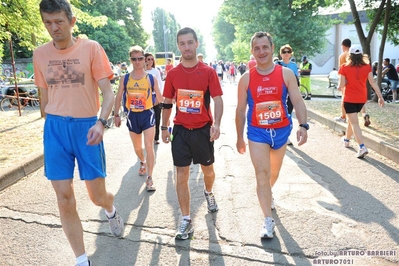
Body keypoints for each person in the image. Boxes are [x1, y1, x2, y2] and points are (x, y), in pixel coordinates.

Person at [33, 1, 124, 265]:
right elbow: (44, 96)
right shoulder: (40, 54)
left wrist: (101, 123)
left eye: (59, 21)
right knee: (64, 199)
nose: (53, 28)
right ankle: (82, 259)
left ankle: (110, 208)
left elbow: (107, 94)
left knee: (96, 196)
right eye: (48, 22)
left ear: (72, 21)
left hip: (87, 128)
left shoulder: (91, 48)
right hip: (56, 130)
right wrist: (51, 122)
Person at [235, 32, 308, 239]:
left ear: (272, 48)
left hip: (281, 130)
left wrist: (303, 125)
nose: (261, 52)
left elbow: (298, 100)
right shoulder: (246, 78)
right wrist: (240, 137)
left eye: (265, 47)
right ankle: (268, 220)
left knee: (273, 173)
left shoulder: (285, 74)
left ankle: (267, 193)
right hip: (257, 133)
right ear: (252, 51)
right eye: (257, 48)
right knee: (262, 174)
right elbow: (240, 110)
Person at [161, 27, 224, 240]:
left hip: (202, 131)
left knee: (208, 172)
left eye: (190, 42)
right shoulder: (172, 74)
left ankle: (208, 193)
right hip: (180, 131)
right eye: (182, 43)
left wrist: (217, 124)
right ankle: (186, 220)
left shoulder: (208, 72)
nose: (186, 47)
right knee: (181, 174)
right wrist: (164, 127)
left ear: (197, 43)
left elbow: (217, 99)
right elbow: (167, 102)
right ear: (178, 46)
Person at [114, 46, 162, 191]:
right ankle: (142, 161)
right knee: (137, 147)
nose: (137, 61)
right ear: (131, 60)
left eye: (140, 58)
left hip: (147, 115)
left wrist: (150, 104)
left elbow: (159, 98)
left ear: (144, 59)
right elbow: (118, 97)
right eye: (134, 59)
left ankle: (150, 178)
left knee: (149, 146)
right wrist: (116, 114)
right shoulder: (125, 78)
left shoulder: (150, 78)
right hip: (132, 116)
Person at [338, 45, 384, 158]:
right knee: (351, 119)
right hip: (361, 99)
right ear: (361, 55)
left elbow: (340, 86)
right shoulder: (367, 67)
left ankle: (362, 147)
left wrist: (346, 81)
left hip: (349, 98)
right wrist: (380, 96)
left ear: (350, 55)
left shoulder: (344, 67)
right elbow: (372, 82)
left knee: (354, 122)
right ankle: (346, 140)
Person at [275, 44, 299, 145]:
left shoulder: (293, 65)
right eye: (284, 52)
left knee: (288, 114)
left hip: (290, 94)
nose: (286, 54)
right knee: (278, 114)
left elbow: (297, 80)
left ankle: (286, 136)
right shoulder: (277, 64)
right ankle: (277, 134)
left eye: (288, 52)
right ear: (280, 54)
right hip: (279, 94)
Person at [145, 52, 164, 144]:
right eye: (148, 59)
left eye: (152, 59)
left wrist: (158, 97)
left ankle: (156, 138)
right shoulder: (141, 72)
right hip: (144, 99)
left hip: (155, 96)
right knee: (146, 118)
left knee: (157, 117)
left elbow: (160, 85)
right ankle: (148, 137)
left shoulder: (155, 71)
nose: (150, 61)